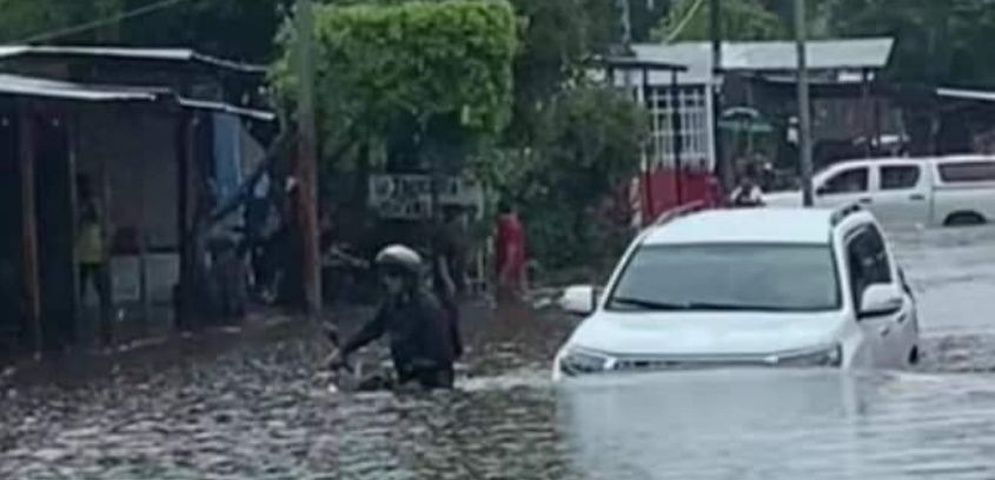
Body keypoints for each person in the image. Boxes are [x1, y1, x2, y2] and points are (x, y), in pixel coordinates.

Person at [328, 244, 457, 390]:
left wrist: (415, 375)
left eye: (393, 275)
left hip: (431, 381)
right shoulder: (393, 304)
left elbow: (443, 356)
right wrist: (344, 350)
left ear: (408, 278)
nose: (387, 281)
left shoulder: (429, 309)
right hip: (406, 377)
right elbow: (372, 329)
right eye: (385, 275)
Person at [75, 173, 112, 346]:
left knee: (101, 291)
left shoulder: (90, 205)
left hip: (92, 252)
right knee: (81, 291)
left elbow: (100, 221)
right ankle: (80, 322)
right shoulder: (79, 205)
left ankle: (106, 326)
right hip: (84, 253)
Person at [494, 200, 527, 302]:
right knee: (520, 294)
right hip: (517, 264)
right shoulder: (516, 224)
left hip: (509, 267)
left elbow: (511, 249)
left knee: (506, 299)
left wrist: (504, 271)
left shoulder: (508, 226)